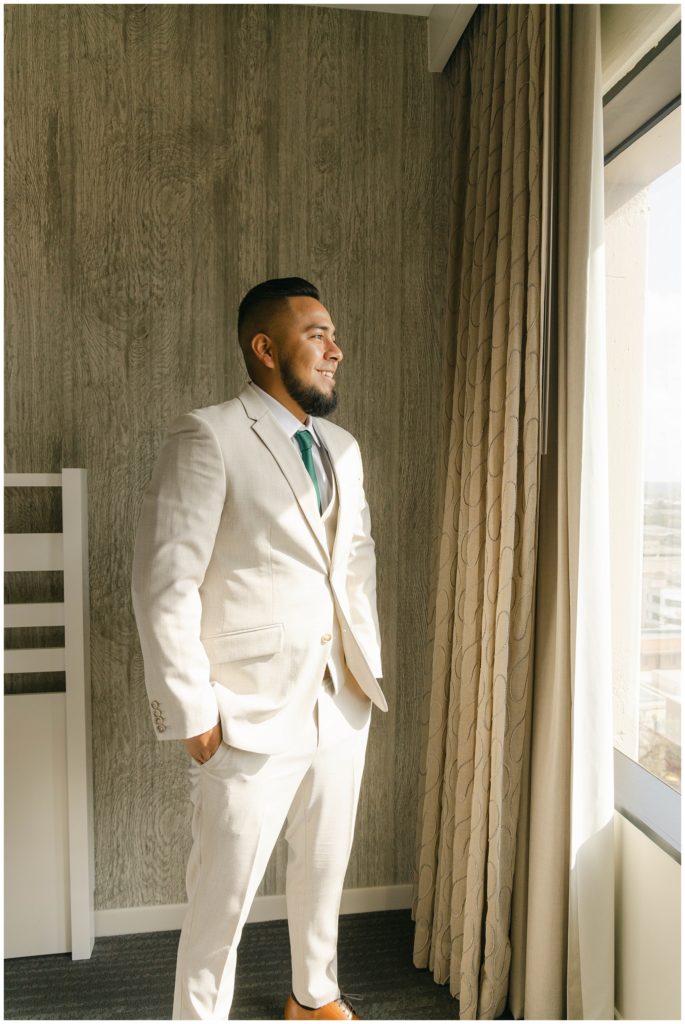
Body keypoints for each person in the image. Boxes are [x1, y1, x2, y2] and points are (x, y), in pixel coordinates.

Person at [131, 277, 387, 1020]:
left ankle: (314, 998)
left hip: (339, 699)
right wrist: (191, 709)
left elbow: (355, 560)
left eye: (334, 334)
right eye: (317, 335)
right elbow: (164, 582)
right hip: (242, 709)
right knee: (222, 898)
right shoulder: (207, 434)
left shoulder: (341, 446)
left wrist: (363, 666)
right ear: (265, 347)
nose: (336, 350)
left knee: (324, 869)